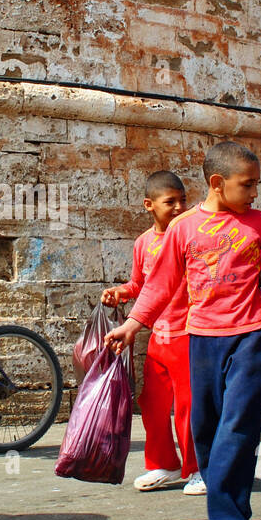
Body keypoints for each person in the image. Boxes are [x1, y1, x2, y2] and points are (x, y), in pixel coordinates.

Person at [104, 142, 261, 520]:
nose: (254, 194)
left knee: (239, 426)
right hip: (203, 339)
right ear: (217, 183)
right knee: (206, 427)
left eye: (255, 186)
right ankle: (224, 506)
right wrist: (132, 326)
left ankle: (230, 519)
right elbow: (159, 285)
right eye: (247, 185)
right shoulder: (185, 228)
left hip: (254, 336)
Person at [101, 171, 200, 494]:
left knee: (189, 407)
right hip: (158, 336)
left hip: (188, 334)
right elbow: (141, 286)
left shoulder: (189, 237)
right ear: (149, 205)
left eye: (182, 201)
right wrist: (122, 293)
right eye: (169, 202)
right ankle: (164, 465)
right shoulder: (143, 243)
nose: (178, 207)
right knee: (153, 405)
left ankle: (199, 468)